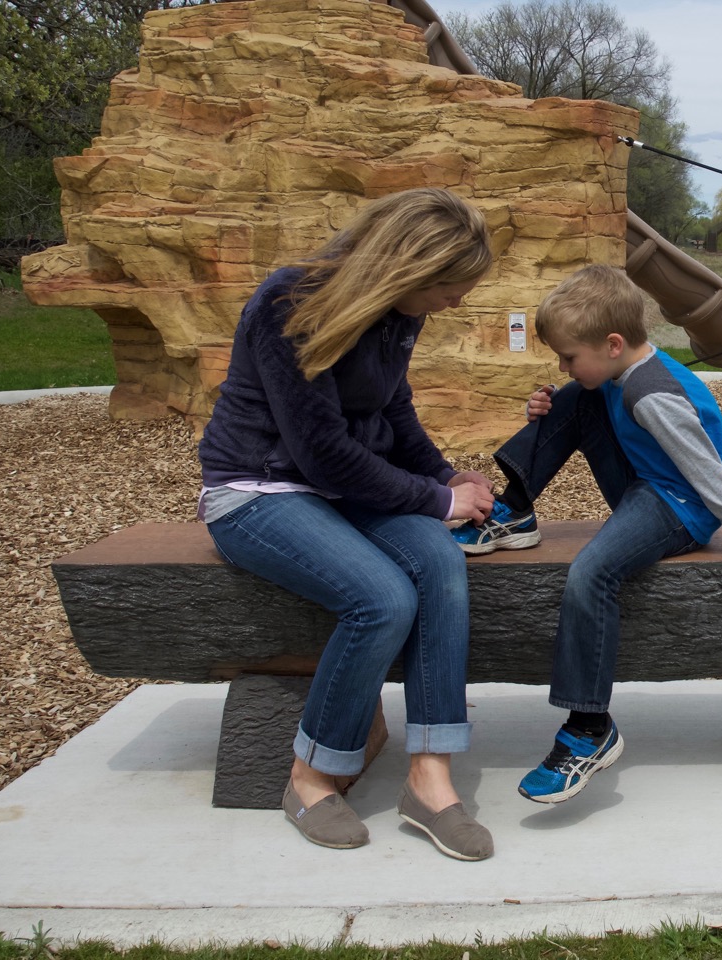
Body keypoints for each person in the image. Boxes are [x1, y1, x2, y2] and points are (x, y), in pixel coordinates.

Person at [197, 187, 497, 860]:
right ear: (410, 269)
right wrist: (440, 503)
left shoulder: (398, 314)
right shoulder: (288, 303)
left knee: (440, 565)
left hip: (341, 491)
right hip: (258, 489)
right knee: (380, 598)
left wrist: (447, 476)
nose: (457, 302)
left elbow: (394, 418)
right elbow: (321, 452)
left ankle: (430, 777)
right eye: (451, 287)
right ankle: (310, 777)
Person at [451, 264, 722, 803]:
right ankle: (514, 509)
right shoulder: (617, 371)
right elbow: (585, 398)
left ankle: (589, 728)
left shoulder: (652, 395)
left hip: (678, 505)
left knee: (590, 572)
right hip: (643, 482)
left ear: (613, 344)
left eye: (569, 355)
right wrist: (548, 412)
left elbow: (707, 470)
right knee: (570, 397)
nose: (564, 363)